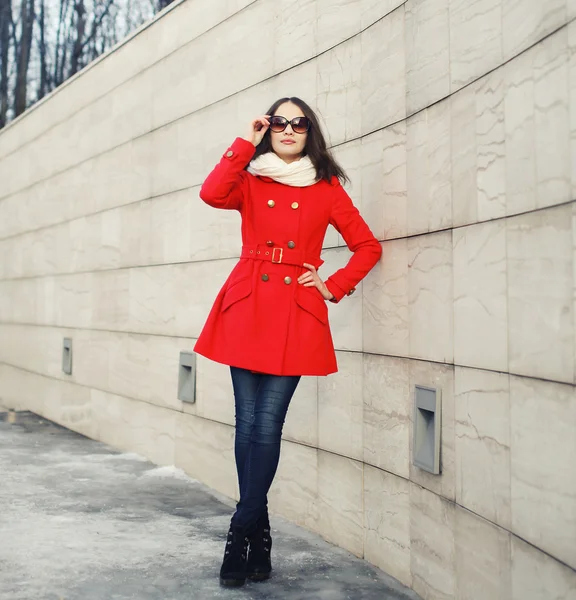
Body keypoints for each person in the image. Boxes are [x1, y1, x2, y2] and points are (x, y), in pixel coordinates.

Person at [193, 97, 382, 587]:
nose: (290, 129)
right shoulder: (251, 177)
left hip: (295, 312)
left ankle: (241, 529)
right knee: (247, 422)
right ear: (268, 129)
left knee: (267, 424)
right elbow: (211, 194)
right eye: (280, 122)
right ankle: (259, 530)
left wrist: (333, 284)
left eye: (299, 123)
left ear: (310, 132)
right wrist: (243, 142)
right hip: (248, 301)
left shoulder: (326, 188)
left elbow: (368, 246)